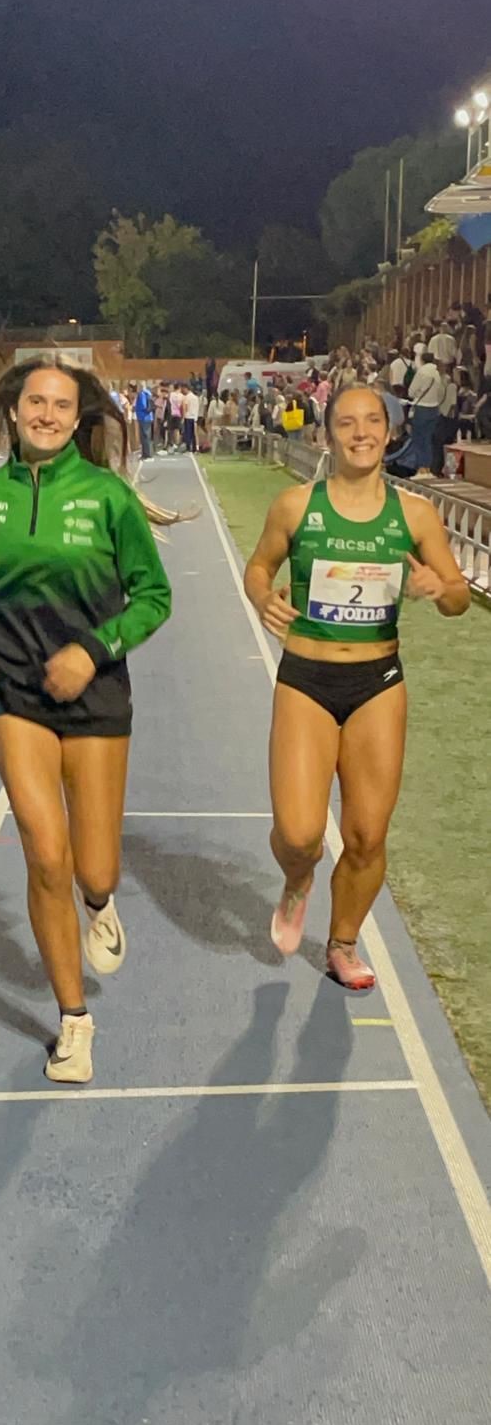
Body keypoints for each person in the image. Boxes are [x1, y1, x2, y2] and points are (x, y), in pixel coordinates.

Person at [0, 356, 171, 1083]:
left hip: (95, 692)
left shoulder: (108, 497)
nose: (45, 414)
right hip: (12, 690)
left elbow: (154, 597)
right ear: (13, 411)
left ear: (78, 420)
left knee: (92, 867)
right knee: (45, 852)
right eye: (35, 402)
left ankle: (99, 902)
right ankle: (74, 1022)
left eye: (61, 405)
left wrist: (93, 651)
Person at [243, 384, 469, 990]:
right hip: (306, 679)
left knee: (367, 835)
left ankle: (342, 943)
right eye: (347, 422)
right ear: (328, 433)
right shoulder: (296, 506)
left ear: (390, 432)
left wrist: (437, 589)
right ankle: (298, 879)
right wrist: (264, 598)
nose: (361, 433)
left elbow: (458, 596)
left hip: (377, 682)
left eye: (373, 421)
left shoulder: (415, 515)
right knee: (300, 836)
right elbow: (259, 566)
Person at [408, 351, 444, 477]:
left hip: (422, 407)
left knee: (419, 439)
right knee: (428, 439)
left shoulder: (422, 372)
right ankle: (428, 468)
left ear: (422, 360)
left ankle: (421, 468)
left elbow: (411, 391)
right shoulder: (437, 373)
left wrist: (417, 394)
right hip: (434, 408)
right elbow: (440, 392)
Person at [134, 380, 154, 459]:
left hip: (143, 416)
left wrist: (135, 408)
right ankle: (146, 453)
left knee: (144, 436)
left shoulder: (142, 394)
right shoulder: (148, 393)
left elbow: (143, 405)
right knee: (146, 436)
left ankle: (147, 454)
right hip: (148, 416)